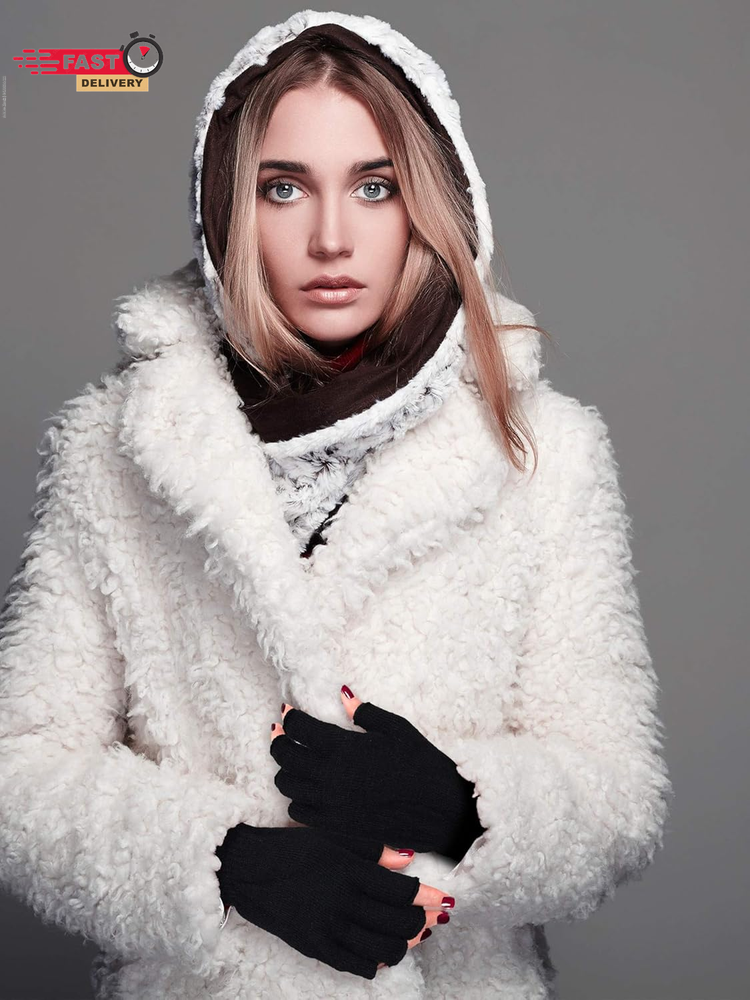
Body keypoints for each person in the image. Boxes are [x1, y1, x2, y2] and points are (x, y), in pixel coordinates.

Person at [0, 10, 673, 1000]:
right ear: (227, 208)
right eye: (283, 188)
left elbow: (618, 799)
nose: (329, 237)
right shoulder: (112, 447)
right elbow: (21, 777)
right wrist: (227, 862)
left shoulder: (546, 450)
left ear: (431, 202)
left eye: (374, 186)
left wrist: (460, 808)